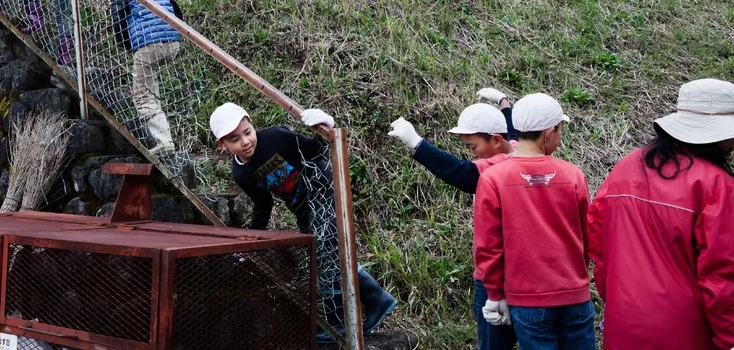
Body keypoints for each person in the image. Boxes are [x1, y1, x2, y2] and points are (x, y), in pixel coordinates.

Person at [210, 103, 397, 346]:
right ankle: (375, 300)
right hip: (302, 208)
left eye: (248, 132)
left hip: (323, 190)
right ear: (222, 145)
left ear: (252, 125)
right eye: (235, 139)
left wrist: (326, 125)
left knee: (326, 257)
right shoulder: (241, 173)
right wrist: (251, 239)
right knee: (322, 256)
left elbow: (317, 149)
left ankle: (340, 320)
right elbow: (263, 205)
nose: (245, 141)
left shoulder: (275, 138)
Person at [588, 78, 734, 350]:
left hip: (624, 323)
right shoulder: (717, 185)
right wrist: (730, 338)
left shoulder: (627, 166)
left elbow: (598, 241)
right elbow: (722, 275)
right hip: (688, 332)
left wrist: (617, 296)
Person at [387, 88, 518, 350]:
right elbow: (512, 133)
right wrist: (504, 104)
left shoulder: (498, 166)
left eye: (473, 147)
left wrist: (417, 144)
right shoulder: (516, 150)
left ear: (494, 140)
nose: (472, 154)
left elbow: (460, 173)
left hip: (495, 278)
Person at [474, 93, 595, 350]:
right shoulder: (573, 176)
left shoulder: (494, 178)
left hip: (527, 297)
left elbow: (488, 246)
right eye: (561, 130)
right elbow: (587, 235)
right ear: (549, 133)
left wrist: (495, 294)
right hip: (574, 293)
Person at [110, 0, 182, 155]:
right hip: (172, 42)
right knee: (151, 85)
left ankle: (163, 140)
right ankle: (161, 135)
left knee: (142, 94)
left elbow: (118, 19)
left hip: (146, 45)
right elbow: (177, 12)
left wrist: (126, 44)